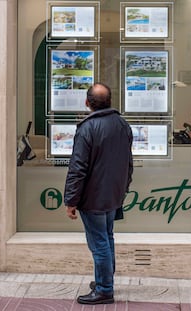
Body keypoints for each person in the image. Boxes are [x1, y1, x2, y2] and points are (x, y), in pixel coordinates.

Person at [64, 82, 134, 305]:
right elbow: (129, 163)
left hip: (94, 196)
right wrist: (124, 188)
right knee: (107, 237)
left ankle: (104, 289)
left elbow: (78, 168)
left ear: (87, 103)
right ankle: (105, 280)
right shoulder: (122, 125)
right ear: (110, 101)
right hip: (113, 194)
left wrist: (71, 200)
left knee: (99, 242)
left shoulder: (87, 128)